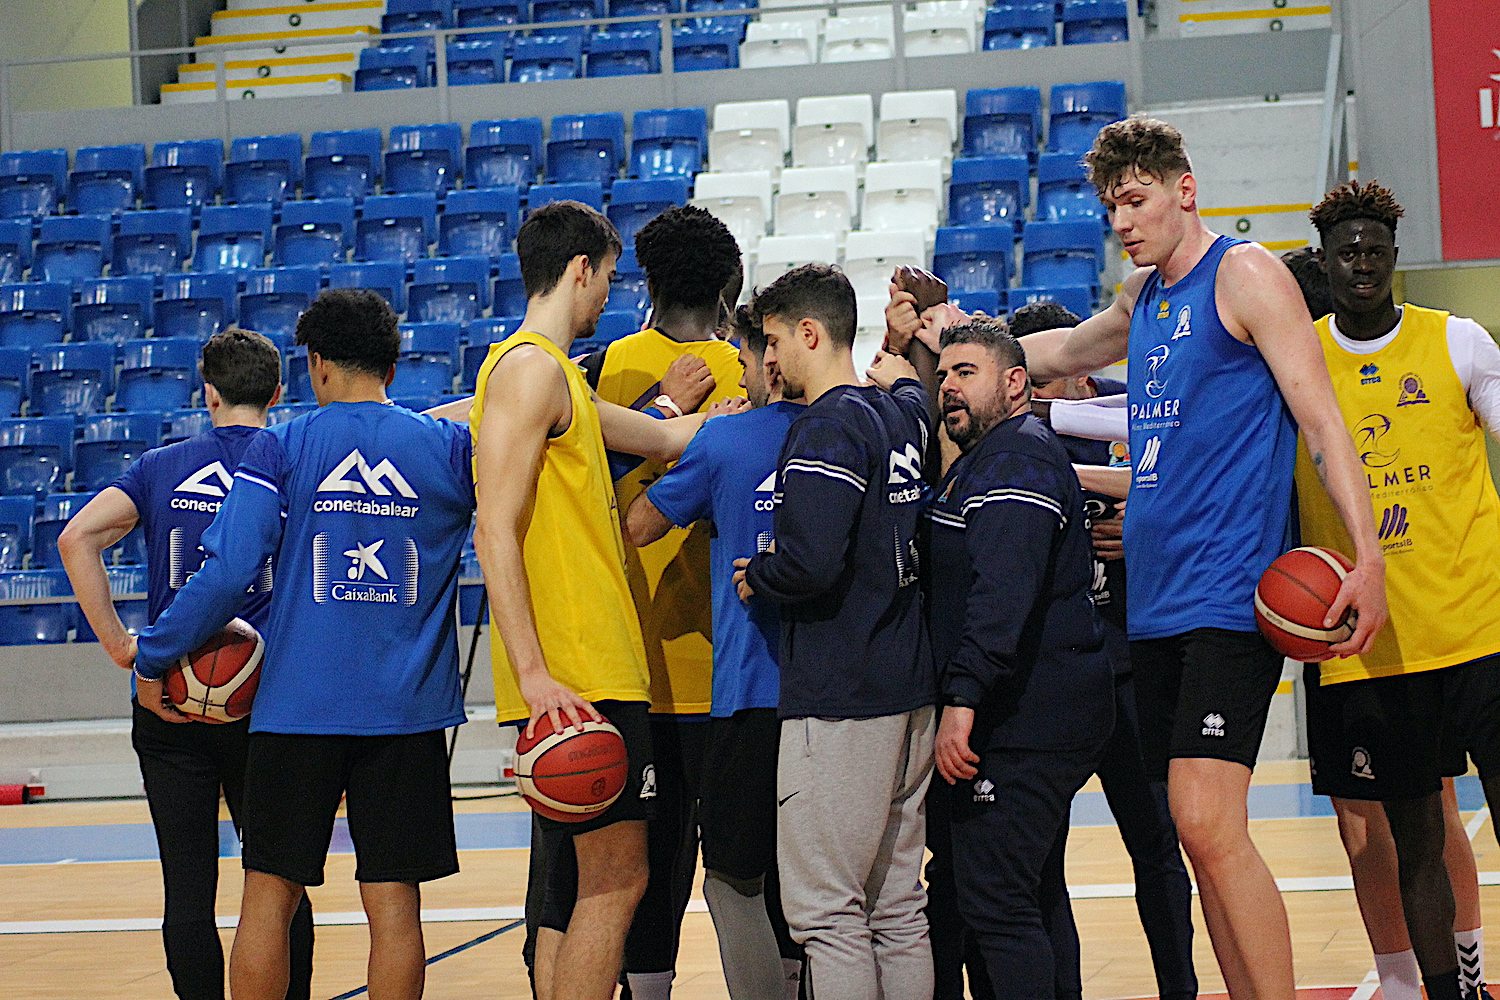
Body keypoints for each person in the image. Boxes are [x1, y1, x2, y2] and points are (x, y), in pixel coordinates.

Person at [1017, 114, 1388, 998]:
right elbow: (1061, 352)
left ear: (1186, 189)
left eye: (1136, 200)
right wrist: (951, 349)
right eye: (1111, 206)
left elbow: (1324, 421)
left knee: (1206, 821)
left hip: (1229, 595)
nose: (1121, 221)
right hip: (1157, 601)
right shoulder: (1141, 301)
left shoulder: (1247, 274)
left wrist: (1365, 558)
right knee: (1196, 836)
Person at [131, 290, 476, 1000]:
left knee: (270, 894)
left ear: (315, 364)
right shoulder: (446, 448)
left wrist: (154, 653)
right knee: (394, 906)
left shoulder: (282, 445)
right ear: (393, 360)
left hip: (296, 710)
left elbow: (227, 571)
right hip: (406, 712)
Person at [468, 200, 735, 1000]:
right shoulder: (531, 369)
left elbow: (662, 441)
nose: (609, 297)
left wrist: (733, 416)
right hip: (579, 669)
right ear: (580, 268)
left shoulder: (553, 379)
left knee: (571, 895)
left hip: (587, 666)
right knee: (616, 885)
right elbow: (494, 529)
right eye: (608, 278)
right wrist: (536, 673)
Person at [57, 329, 314, 1000]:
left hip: (169, 695)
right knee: (279, 882)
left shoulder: (160, 465)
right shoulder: (293, 460)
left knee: (188, 891)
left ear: (209, 393)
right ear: (279, 393)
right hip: (269, 704)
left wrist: (121, 645)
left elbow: (75, 537)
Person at [1295, 179, 1500, 1000]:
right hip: (1370, 646)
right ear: (1329, 262)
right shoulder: (1297, 358)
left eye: (1377, 249)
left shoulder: (1458, 342)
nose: (1364, 264)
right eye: (1348, 252)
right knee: (1413, 838)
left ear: (1394, 256)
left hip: (1480, 627)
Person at [870, 319, 1114, 999]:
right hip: (1021, 713)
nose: (949, 386)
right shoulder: (986, 459)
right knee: (1015, 893)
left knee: (999, 903)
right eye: (943, 375)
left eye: (966, 374)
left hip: (1025, 720)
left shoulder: (1019, 459)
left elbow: (1002, 596)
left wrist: (963, 704)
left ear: (1014, 384)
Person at [732, 264, 936, 1000]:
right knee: (898, 907)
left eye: (777, 341)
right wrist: (907, 348)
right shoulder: (896, 414)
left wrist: (761, 573)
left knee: (827, 913)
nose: (770, 359)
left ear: (810, 333)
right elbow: (917, 394)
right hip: (910, 683)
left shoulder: (826, 425)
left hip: (844, 694)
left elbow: (812, 563)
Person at [578, 205, 748, 1000]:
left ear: (642, 280)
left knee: (642, 882)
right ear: (728, 285)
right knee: (754, 875)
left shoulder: (596, 368)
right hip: (748, 671)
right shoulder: (760, 366)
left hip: (633, 671)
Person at [1008, 301, 1198, 1000]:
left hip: (1133, 665)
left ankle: (1181, 989)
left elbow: (1189, 485)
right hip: (1049, 676)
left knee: (1158, 849)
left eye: (1038, 374)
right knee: (1040, 865)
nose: (1024, 388)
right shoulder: (1014, 435)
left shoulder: (1134, 406)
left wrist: (1140, 520)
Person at [624, 305, 805, 1000]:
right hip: (839, 696)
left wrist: (705, 469)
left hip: (746, 693)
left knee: (733, 876)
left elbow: (639, 526)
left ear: (767, 358)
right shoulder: (856, 428)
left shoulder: (726, 441)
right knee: (831, 884)